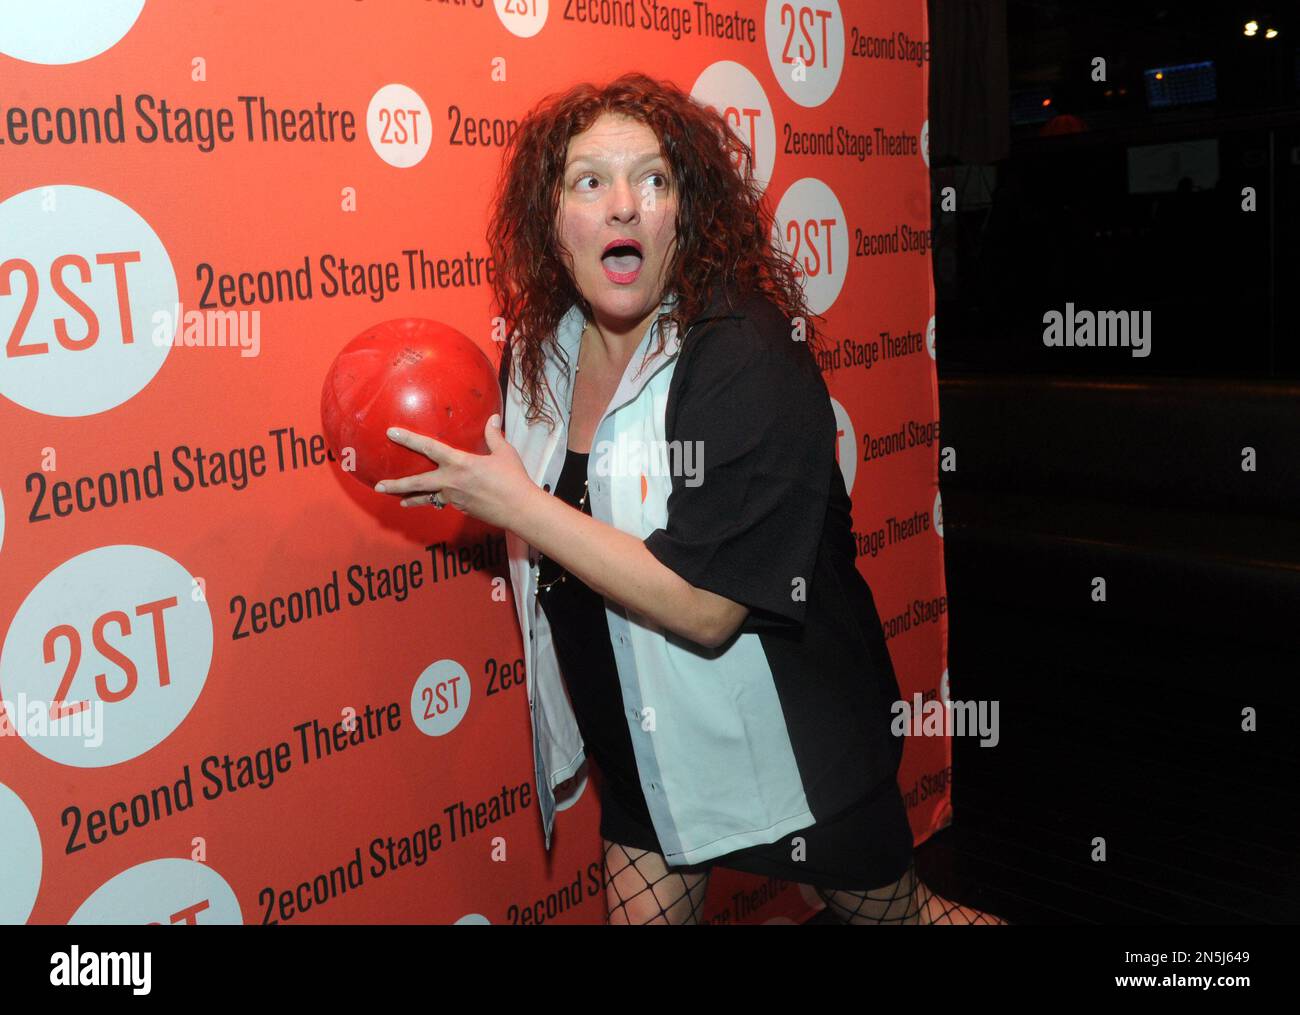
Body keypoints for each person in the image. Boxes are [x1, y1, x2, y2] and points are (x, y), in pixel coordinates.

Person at [374, 73, 1006, 926]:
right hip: (644, 749)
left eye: (656, 178)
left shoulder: (742, 354)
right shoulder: (541, 352)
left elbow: (709, 607)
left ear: (689, 211)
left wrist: (515, 505)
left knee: (909, 921)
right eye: (589, 180)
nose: (625, 205)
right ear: (550, 217)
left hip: (787, 748)